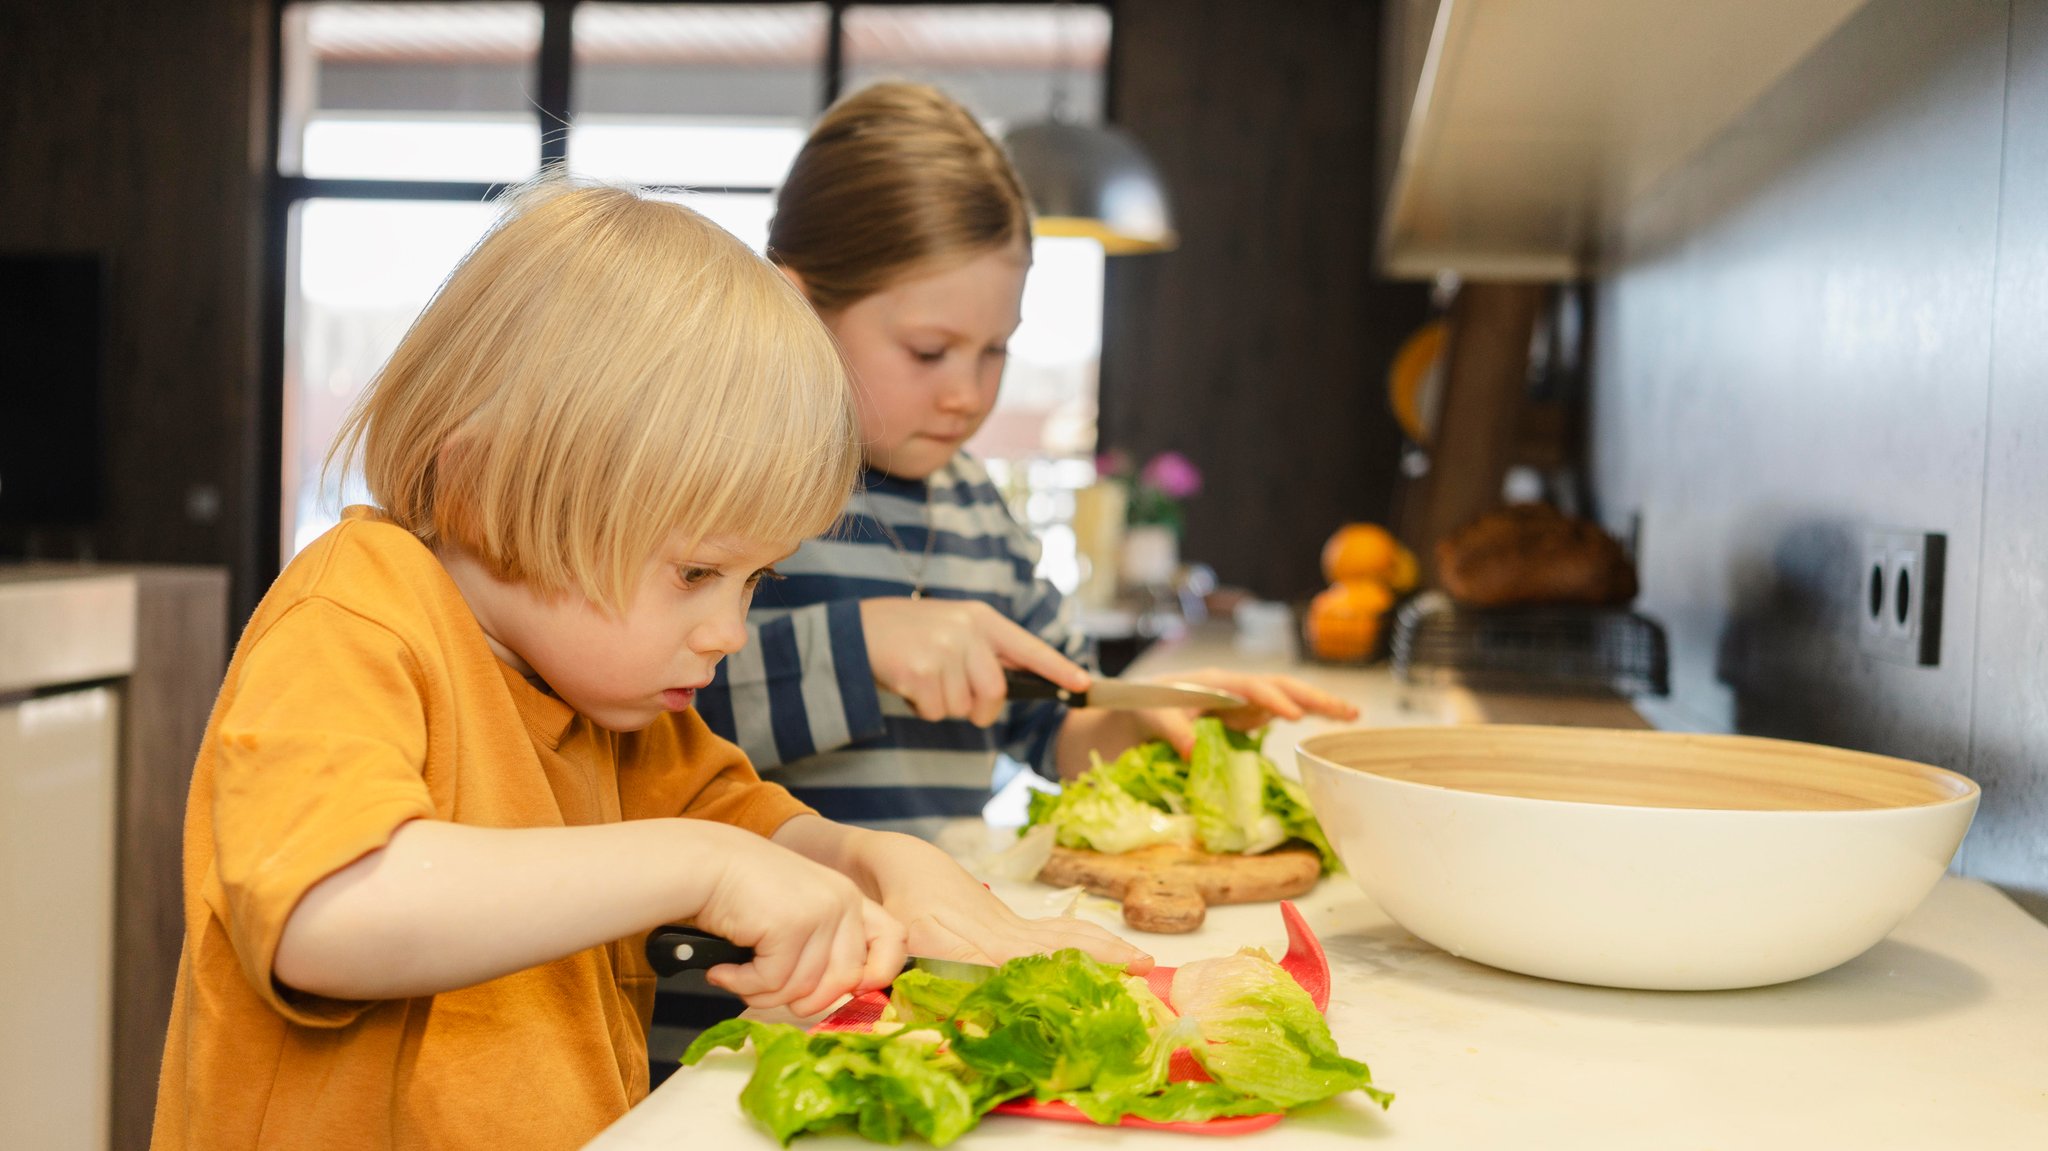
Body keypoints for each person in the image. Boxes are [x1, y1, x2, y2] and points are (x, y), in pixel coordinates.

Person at [150, 181, 1147, 1151]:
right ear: (484, 485)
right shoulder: (354, 613)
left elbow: (752, 823)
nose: (725, 628)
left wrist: (869, 861)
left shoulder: (612, 702)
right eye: (697, 570)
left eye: (755, 579)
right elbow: (328, 913)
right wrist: (700, 866)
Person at [695, 83, 1357, 841]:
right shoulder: (727, 484)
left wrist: (1145, 710)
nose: (967, 394)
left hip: (932, 934)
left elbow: (1056, 723)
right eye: (929, 350)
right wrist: (862, 647)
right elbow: (644, 730)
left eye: (995, 349)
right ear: (798, 306)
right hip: (761, 943)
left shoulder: (973, 502)